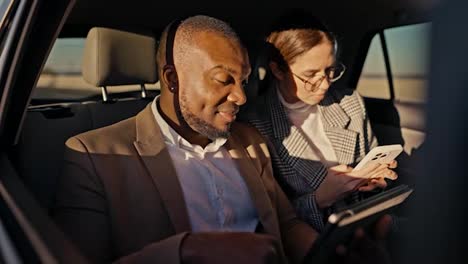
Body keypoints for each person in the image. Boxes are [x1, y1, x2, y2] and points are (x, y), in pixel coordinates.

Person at [52, 15, 393, 264]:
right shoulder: (94, 154)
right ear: (172, 78)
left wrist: (330, 253)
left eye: (243, 81)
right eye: (223, 80)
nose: (241, 97)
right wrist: (186, 251)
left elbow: (287, 224)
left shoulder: (250, 140)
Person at [239, 11, 398, 232]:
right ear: (278, 70)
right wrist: (320, 198)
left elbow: (372, 171)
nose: (324, 84)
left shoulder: (350, 102)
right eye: (311, 74)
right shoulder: (253, 126)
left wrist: (374, 183)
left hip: (365, 224)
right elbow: (270, 220)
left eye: (330, 70)